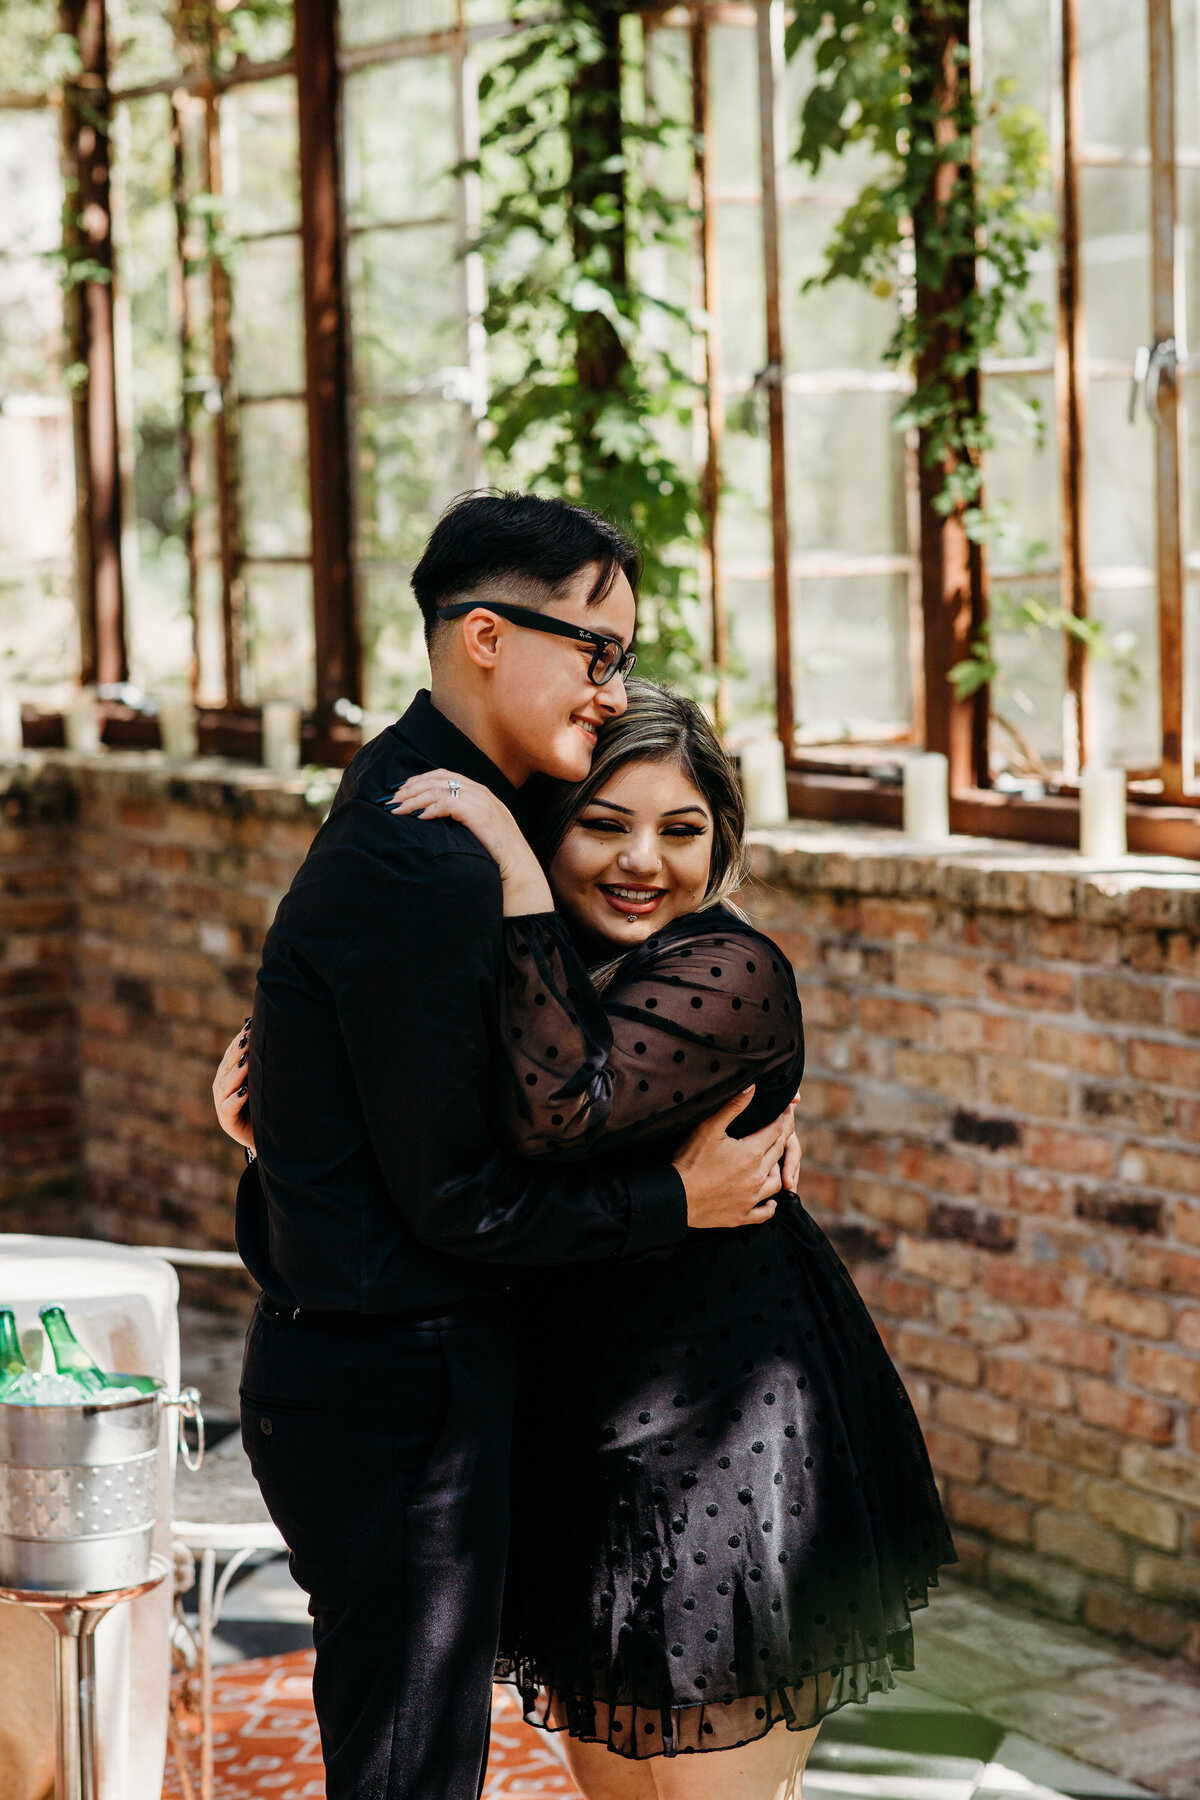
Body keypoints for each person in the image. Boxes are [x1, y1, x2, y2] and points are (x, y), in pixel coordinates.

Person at [218, 678, 955, 1800]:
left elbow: (562, 1107)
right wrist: (277, 1137)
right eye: (603, 824)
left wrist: (515, 871)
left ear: (725, 842)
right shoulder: (520, 973)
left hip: (724, 1438)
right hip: (570, 1437)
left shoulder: (732, 971)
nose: (642, 861)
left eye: (682, 829)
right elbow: (448, 1175)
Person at [217, 493, 800, 1800]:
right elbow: (468, 1199)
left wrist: (291, 1127)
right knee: (416, 1770)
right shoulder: (442, 851)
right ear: (486, 636)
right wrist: (678, 1198)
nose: (610, 689)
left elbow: (501, 1069)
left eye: (623, 659)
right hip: (399, 1385)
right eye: (596, 651)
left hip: (392, 1362)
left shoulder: (424, 789)